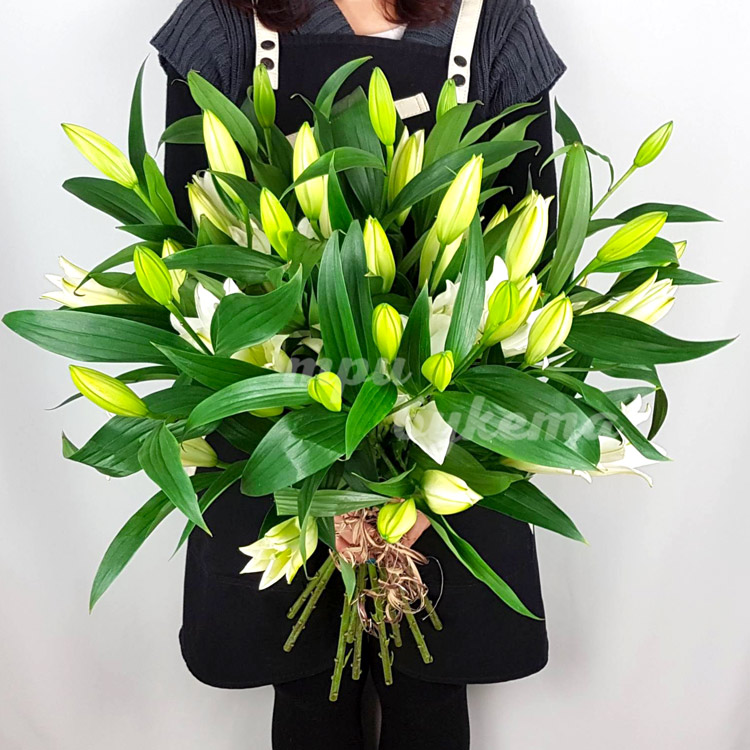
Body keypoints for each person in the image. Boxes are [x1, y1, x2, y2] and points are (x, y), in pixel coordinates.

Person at [151, 1, 566, 747]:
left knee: (431, 696)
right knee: (307, 696)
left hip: (448, 437)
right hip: (283, 439)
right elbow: (193, 263)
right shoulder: (224, 22)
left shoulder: (494, 21)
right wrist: (334, 451)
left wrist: (409, 458)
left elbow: (529, 258)